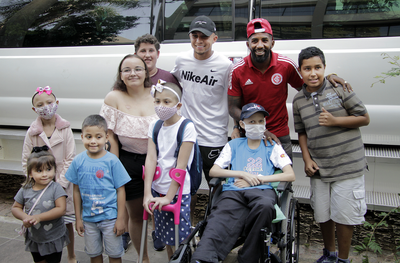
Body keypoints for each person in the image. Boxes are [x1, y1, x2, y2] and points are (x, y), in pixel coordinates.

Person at [228, 18, 352, 160]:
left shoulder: (285, 65)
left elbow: (309, 86)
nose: (260, 45)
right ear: (248, 44)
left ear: (272, 43)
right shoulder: (237, 70)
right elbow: (233, 107)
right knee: (252, 179)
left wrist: (329, 76)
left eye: (264, 40)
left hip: (280, 135)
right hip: (250, 135)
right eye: (254, 41)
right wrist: (258, 129)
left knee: (284, 180)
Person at [293, 46, 370, 263]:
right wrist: (307, 159)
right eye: (307, 69)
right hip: (320, 167)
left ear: (325, 68)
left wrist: (336, 121)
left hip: (347, 165)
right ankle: (329, 254)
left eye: (317, 67)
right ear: (300, 71)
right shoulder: (299, 100)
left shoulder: (339, 88)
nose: (313, 73)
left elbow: (364, 117)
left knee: (344, 215)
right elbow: (302, 133)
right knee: (323, 214)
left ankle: (343, 259)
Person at [191, 103, 295, 263]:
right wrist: (242, 174)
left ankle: (248, 257)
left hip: (262, 191)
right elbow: (214, 171)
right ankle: (204, 257)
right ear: (242, 124)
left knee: (265, 206)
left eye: (261, 121)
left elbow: (290, 174)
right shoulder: (233, 145)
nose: (257, 125)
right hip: (234, 190)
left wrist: (258, 179)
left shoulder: (272, 146)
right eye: (252, 122)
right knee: (220, 215)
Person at [170, 15, 233, 223]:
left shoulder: (225, 66)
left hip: (214, 138)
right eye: (194, 36)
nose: (199, 41)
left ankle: (215, 231)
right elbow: (171, 85)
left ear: (214, 38)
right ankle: (186, 228)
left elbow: (236, 96)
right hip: (187, 136)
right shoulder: (181, 60)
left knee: (218, 189)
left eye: (204, 37)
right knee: (187, 186)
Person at [100, 54, 156, 263]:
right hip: (127, 162)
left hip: (158, 162)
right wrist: (115, 167)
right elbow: (110, 135)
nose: (133, 73)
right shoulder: (113, 98)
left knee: (157, 212)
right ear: (121, 75)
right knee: (136, 214)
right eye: (127, 70)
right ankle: (144, 258)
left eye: (138, 69)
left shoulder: (157, 95)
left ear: (146, 72)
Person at [134, 33, 180, 251]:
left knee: (161, 188)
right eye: (142, 50)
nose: (147, 54)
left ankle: (160, 231)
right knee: (142, 191)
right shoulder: (133, 77)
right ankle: (144, 230)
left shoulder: (168, 77)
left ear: (158, 53)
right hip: (138, 144)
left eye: (151, 50)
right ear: (136, 54)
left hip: (162, 145)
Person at [22, 86, 78, 263]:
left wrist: (60, 183)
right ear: (34, 109)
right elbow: (26, 158)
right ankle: (42, 250)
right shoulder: (32, 132)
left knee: (66, 220)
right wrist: (34, 181)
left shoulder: (65, 128)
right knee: (44, 217)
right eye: (40, 104)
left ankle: (71, 254)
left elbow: (70, 157)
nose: (45, 107)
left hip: (62, 183)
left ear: (57, 103)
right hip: (39, 184)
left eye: (49, 102)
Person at [65, 115, 131, 263]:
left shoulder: (112, 161)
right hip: (88, 220)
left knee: (115, 255)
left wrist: (120, 219)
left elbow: (121, 190)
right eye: (88, 137)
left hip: (110, 219)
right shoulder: (78, 161)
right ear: (82, 137)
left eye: (98, 136)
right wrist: (78, 218)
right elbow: (75, 191)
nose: (93, 141)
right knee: (94, 254)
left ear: (106, 137)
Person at [143, 80, 196, 260]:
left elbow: (180, 166)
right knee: (166, 237)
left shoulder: (186, 127)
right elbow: (151, 158)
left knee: (179, 239)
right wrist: (147, 193)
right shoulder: (155, 125)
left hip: (178, 192)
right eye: (157, 101)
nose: (161, 106)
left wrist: (168, 197)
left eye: (167, 102)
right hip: (158, 188)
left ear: (178, 105)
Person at [12, 149, 69, 263]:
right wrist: (25, 217)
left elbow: (61, 209)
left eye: (49, 169)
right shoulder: (25, 189)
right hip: (35, 237)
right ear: (30, 173)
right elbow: (15, 207)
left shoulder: (56, 188)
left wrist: (38, 217)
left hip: (53, 237)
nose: (45, 174)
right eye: (39, 170)